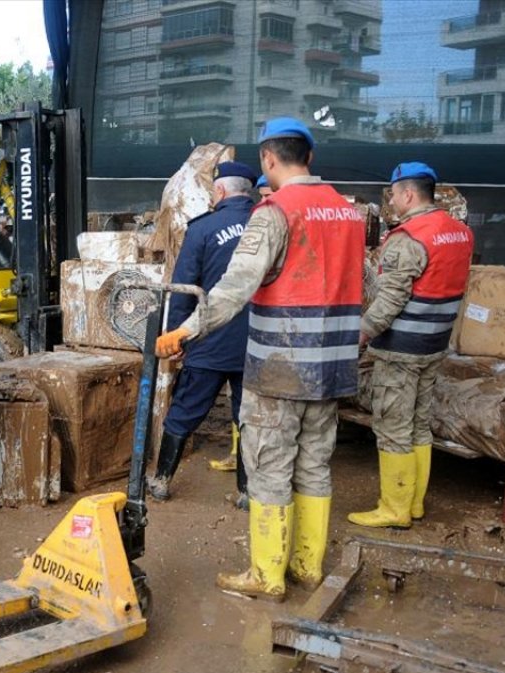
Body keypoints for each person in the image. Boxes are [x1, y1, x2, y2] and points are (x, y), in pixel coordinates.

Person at [155, 117, 365, 601]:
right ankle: (309, 567)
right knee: (314, 465)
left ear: (269, 160)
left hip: (280, 366)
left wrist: (183, 333)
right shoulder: (348, 214)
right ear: (309, 158)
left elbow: (232, 290)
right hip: (333, 366)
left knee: (269, 467)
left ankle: (267, 575)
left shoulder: (274, 213)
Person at [349, 162, 472, 529]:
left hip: (401, 348)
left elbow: (391, 300)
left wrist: (363, 331)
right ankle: (414, 504)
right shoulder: (460, 232)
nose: (392, 203)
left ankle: (394, 508)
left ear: (406, 193)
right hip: (435, 346)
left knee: (392, 427)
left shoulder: (409, 237)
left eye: (393, 196)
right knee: (419, 425)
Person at [148, 161, 256, 509]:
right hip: (256, 343)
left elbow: (183, 290)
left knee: (185, 411)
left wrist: (177, 336)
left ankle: (162, 481)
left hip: (210, 339)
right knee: (250, 417)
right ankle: (246, 492)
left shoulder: (204, 228)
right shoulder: (266, 225)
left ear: (220, 191)